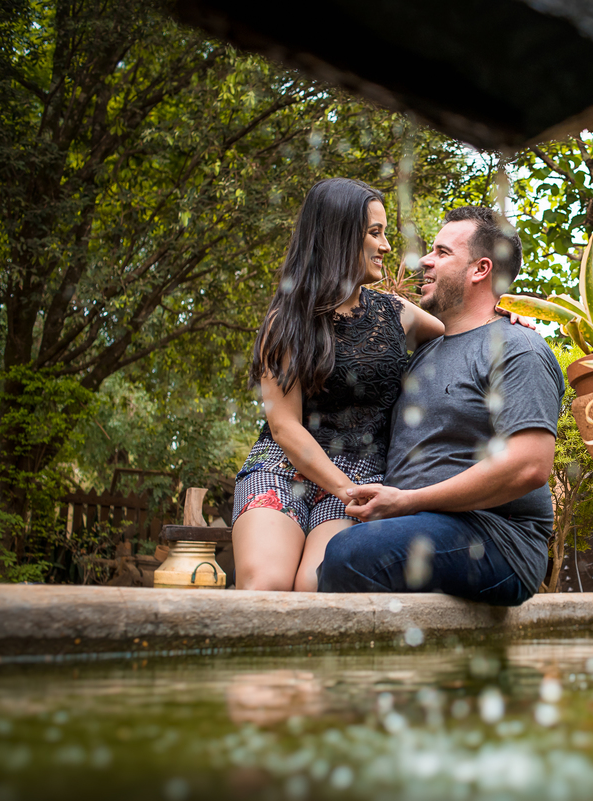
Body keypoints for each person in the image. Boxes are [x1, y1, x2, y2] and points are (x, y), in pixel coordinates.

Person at [317, 206, 564, 606]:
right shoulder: (427, 351)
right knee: (321, 560)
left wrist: (409, 501)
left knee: (351, 554)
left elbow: (529, 466)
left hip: (496, 537)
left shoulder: (519, 348)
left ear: (480, 270)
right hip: (415, 524)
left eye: (442, 252)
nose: (425, 261)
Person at [231, 177, 444, 592]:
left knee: (316, 586)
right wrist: (345, 491)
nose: (386, 247)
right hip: (282, 467)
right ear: (339, 236)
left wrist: (509, 318)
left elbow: (465, 332)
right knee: (266, 585)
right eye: (375, 233)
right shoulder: (288, 320)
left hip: (362, 471)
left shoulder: (396, 313)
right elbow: (284, 426)